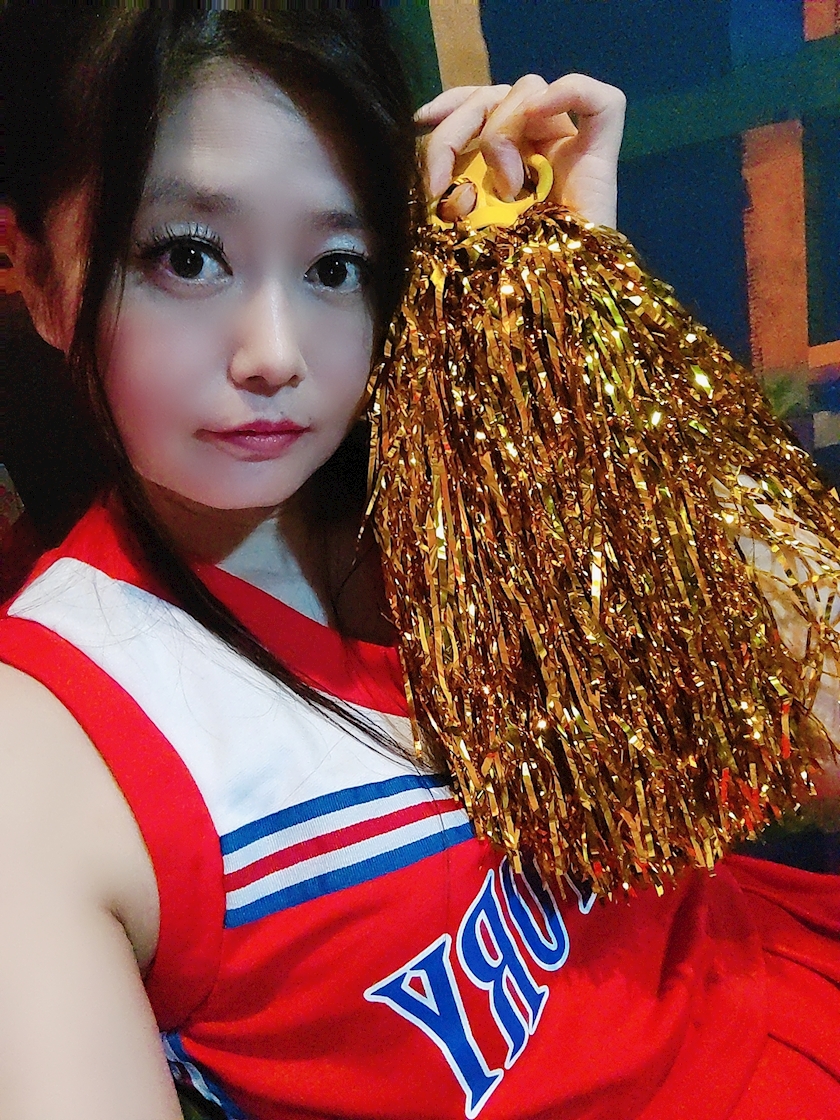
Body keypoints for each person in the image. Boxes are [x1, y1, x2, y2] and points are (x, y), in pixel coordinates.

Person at [0, 8, 837, 1120]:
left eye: (334, 264)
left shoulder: (475, 466)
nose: (274, 356)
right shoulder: (52, 747)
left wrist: (570, 329)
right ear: (36, 273)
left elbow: (822, 729)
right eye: (187, 256)